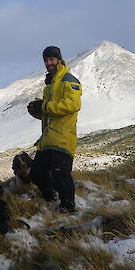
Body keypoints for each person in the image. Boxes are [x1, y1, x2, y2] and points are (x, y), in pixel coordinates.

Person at [27, 46, 82, 212]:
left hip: (63, 138)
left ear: (59, 59)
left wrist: (44, 106)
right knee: (36, 173)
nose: (48, 63)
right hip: (48, 139)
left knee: (60, 175)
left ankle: (68, 207)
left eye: (51, 59)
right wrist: (37, 111)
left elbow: (73, 105)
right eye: (46, 60)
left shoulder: (69, 80)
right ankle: (50, 197)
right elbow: (50, 112)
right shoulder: (49, 85)